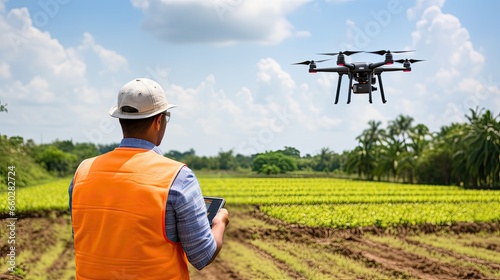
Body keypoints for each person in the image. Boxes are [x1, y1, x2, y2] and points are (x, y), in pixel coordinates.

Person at [68, 78, 229, 279]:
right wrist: (220, 221)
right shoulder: (178, 177)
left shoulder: (82, 172)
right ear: (158, 121)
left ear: (120, 119)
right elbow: (201, 255)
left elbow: (82, 237)